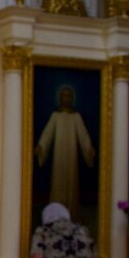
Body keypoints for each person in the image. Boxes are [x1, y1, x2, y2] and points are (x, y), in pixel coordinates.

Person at [35, 85, 95, 217]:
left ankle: (71, 213)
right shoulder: (55, 116)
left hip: (71, 155)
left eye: (68, 95)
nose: (66, 98)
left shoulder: (76, 116)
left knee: (71, 182)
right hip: (59, 156)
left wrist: (88, 148)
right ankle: (56, 214)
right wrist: (41, 146)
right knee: (58, 183)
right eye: (64, 95)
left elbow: (83, 135)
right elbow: (47, 134)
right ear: (60, 98)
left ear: (72, 98)